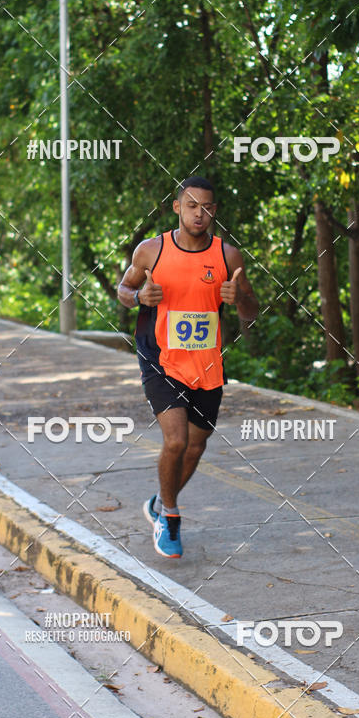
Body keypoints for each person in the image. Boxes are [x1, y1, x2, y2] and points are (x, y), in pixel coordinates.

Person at [117, 177, 259, 558]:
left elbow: (251, 312)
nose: (201, 214)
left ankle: (161, 503)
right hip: (159, 356)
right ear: (177, 207)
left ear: (215, 211)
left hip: (205, 362)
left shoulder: (228, 256)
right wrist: (139, 296)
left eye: (208, 207)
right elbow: (124, 290)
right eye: (192, 205)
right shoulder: (151, 250)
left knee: (196, 447)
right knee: (176, 441)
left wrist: (239, 298)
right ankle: (171, 517)